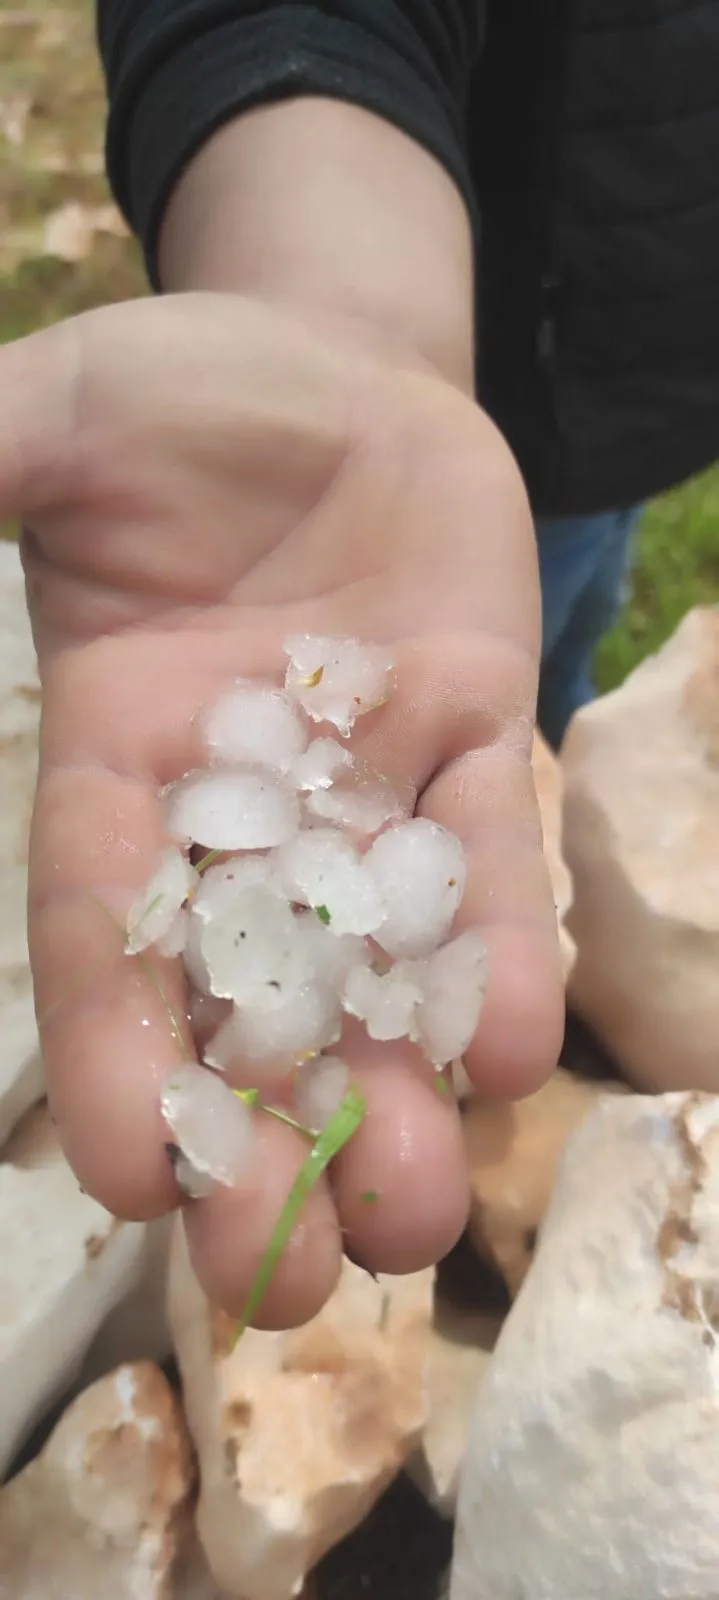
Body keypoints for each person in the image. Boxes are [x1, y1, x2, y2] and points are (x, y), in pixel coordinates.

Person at [0, 3, 716, 1327]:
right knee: (512, 684)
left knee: (553, 639)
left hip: (639, 373)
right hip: (418, 343)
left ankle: (562, 706)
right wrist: (336, 311)